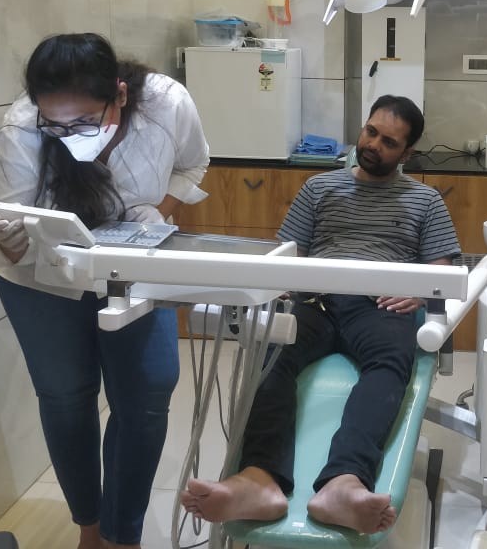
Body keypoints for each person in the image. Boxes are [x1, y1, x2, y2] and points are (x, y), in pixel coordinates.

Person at [0, 33, 210, 549]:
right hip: (42, 276)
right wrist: (13, 241)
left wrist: (156, 210)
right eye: (55, 124)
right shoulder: (22, 127)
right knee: (67, 397)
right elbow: (17, 221)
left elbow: (193, 163)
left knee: (146, 395)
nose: (68, 135)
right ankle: (90, 530)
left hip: (132, 264)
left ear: (119, 95)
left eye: (82, 122)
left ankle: (124, 536)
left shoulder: (166, 104)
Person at [181, 95, 460, 534]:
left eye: (388, 142)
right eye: (370, 132)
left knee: (390, 364)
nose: (373, 144)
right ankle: (259, 479)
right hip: (315, 299)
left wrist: (419, 293)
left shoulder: (425, 200)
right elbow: (288, 254)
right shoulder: (319, 188)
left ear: (407, 154)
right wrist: (280, 283)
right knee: (270, 354)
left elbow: (442, 271)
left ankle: (344, 483)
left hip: (380, 304)